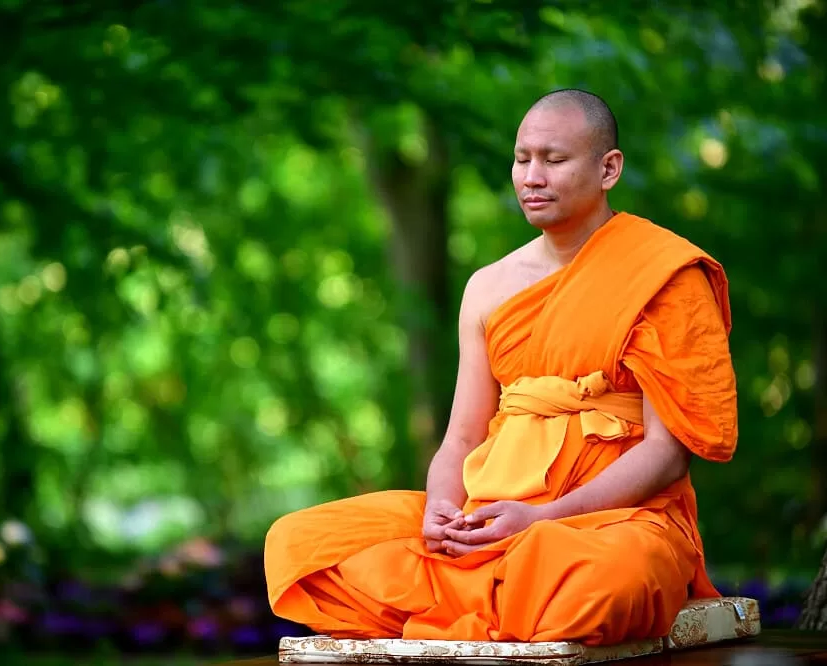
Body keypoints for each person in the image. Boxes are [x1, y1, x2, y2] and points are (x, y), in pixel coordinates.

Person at [263, 89, 738, 646]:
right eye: (521, 159)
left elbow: (667, 452)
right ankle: (496, 595)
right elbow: (462, 437)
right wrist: (442, 513)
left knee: (612, 579)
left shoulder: (665, 273)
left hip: (609, 524)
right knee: (298, 544)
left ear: (608, 169)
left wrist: (544, 518)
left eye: (554, 160)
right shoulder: (489, 286)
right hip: (487, 516)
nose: (532, 177)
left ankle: (486, 597)